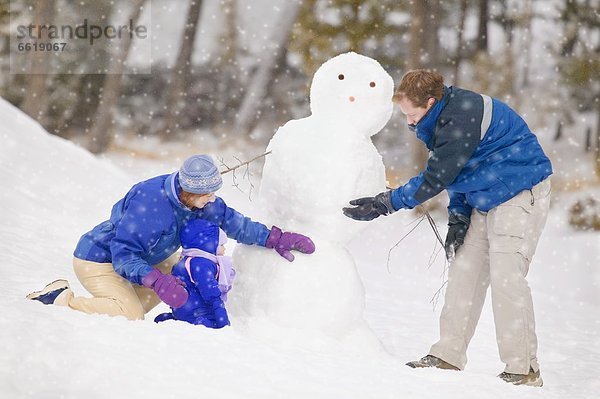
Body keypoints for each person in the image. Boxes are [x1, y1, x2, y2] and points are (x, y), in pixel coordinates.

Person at [343, 70, 552, 387]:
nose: (410, 123)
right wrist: (458, 217)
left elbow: (436, 178)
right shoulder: (442, 117)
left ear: (430, 103)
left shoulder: (458, 118)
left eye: (412, 115)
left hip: (521, 192)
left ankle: (524, 369)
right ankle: (448, 356)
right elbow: (460, 172)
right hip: (485, 196)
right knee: (464, 271)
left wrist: (386, 203)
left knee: (506, 275)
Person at [27, 154, 315, 321]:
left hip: (147, 258)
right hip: (99, 260)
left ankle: (125, 305)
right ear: (188, 192)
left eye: (214, 192)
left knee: (178, 275)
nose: (212, 199)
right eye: (207, 194)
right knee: (130, 316)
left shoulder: (201, 201)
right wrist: (155, 280)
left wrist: (275, 238)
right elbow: (123, 254)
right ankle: (61, 300)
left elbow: (234, 222)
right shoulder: (150, 204)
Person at [154, 219, 234, 328]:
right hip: (197, 311)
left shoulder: (186, 260)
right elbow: (210, 292)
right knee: (212, 322)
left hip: (184, 307)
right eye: (221, 245)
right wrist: (223, 321)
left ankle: (178, 317)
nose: (224, 249)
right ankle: (201, 323)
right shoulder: (201, 264)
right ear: (208, 245)